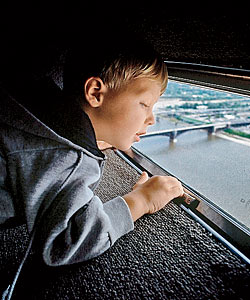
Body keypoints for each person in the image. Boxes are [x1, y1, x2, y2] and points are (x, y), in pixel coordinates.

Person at [0, 32, 184, 266]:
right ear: (95, 92)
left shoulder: (39, 108)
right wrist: (141, 200)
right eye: (145, 105)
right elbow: (64, 242)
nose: (152, 119)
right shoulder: (66, 156)